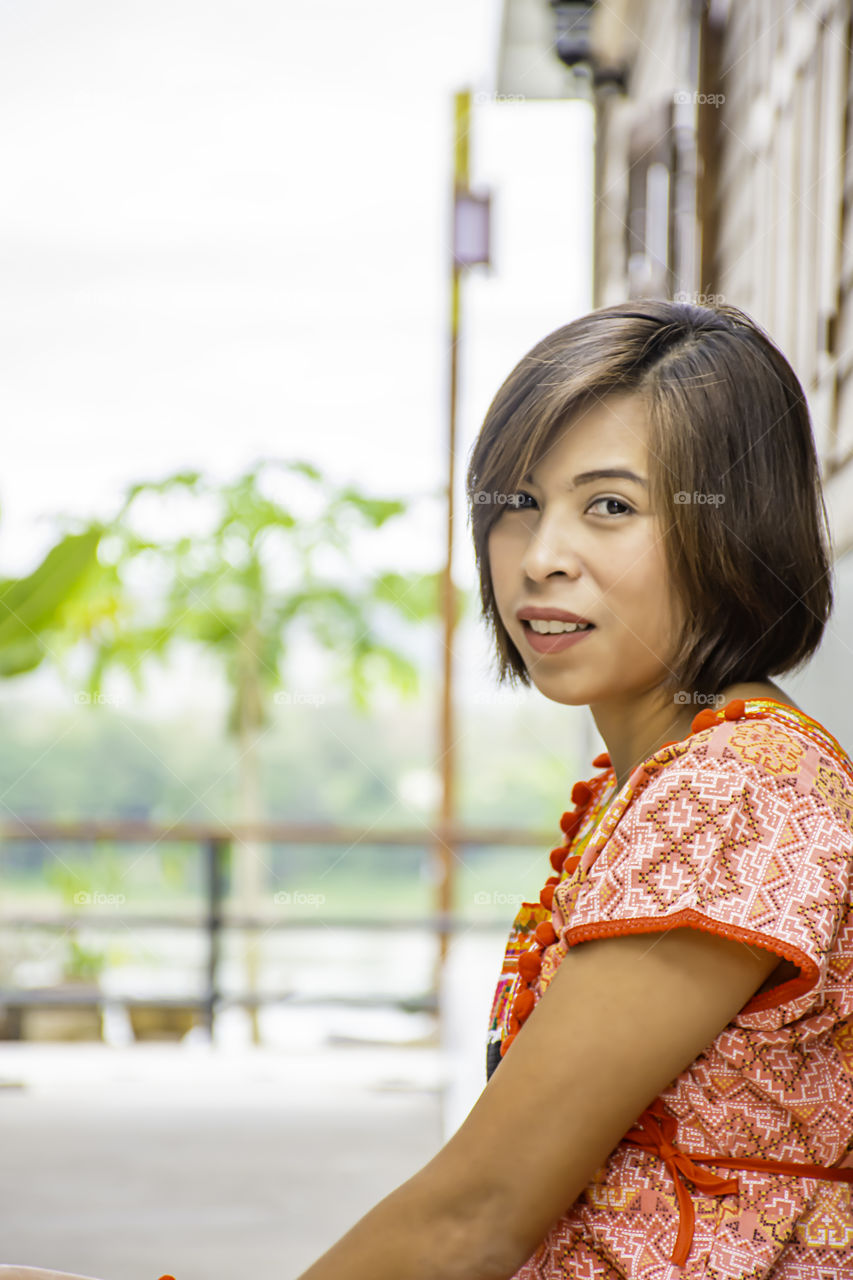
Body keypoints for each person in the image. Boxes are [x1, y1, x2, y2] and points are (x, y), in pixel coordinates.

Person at [295, 298, 853, 1279]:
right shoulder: (663, 776)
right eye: (514, 502)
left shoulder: (734, 793)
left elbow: (476, 1213)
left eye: (609, 505)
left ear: (735, 530)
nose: (541, 555)